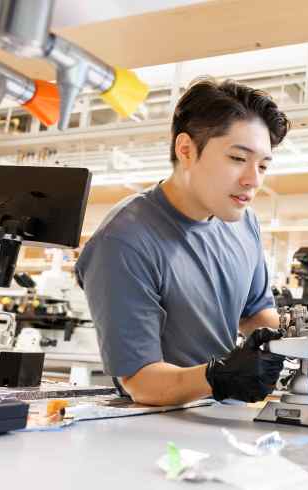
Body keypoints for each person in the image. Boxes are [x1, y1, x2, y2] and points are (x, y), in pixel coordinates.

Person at [75, 77, 289, 406]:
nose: (253, 180)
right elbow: (142, 382)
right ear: (186, 150)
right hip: (157, 430)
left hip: (226, 418)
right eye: (236, 159)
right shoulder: (124, 240)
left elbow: (255, 313)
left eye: (262, 165)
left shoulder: (243, 221)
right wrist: (218, 376)